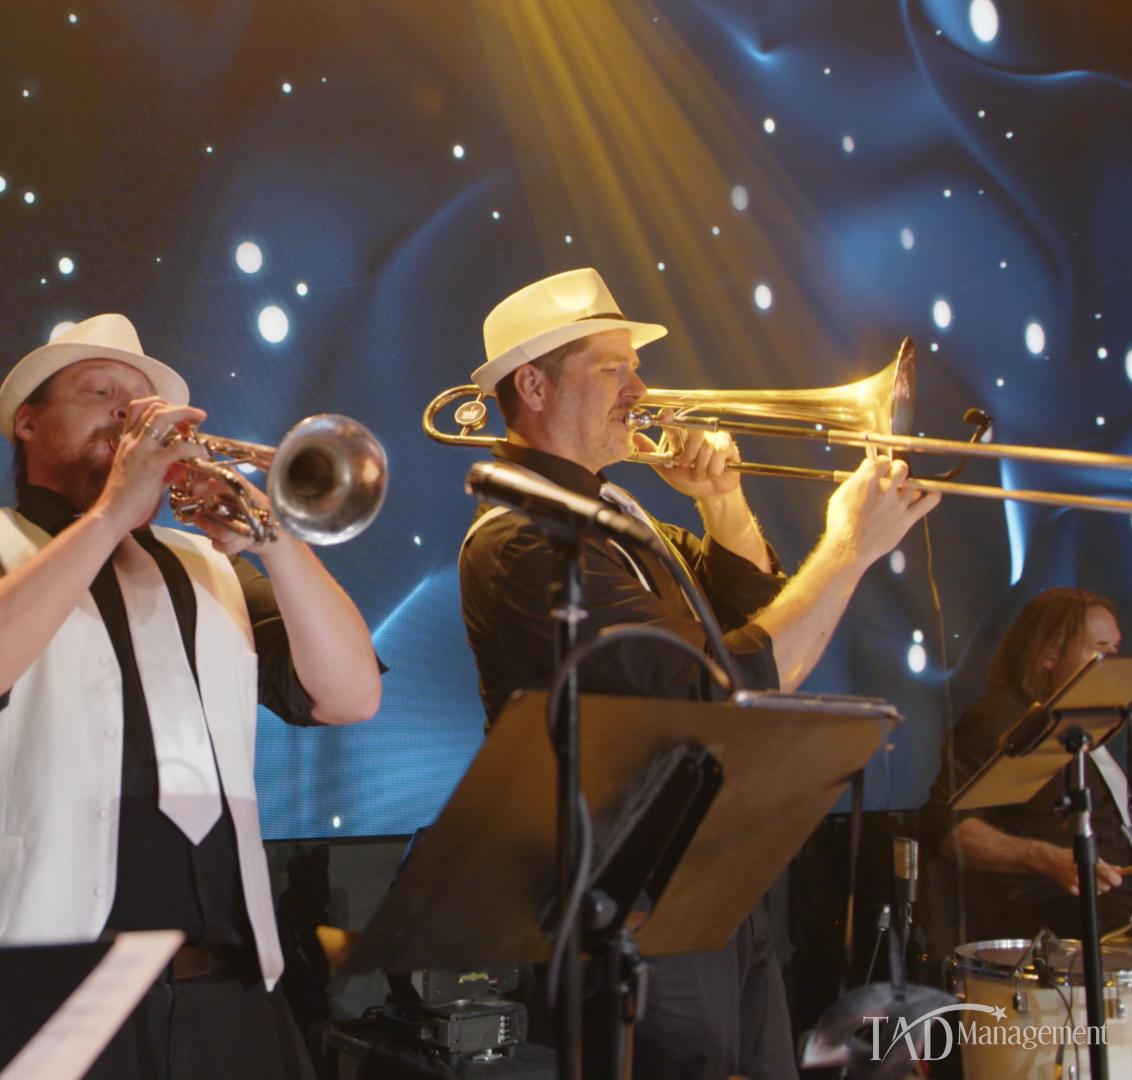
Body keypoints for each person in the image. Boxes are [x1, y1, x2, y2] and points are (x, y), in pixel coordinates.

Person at [457, 269, 938, 1079]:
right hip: (627, 908)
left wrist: (723, 503)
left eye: (633, 367)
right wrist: (850, 548)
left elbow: (749, 618)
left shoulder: (617, 517)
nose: (640, 390)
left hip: (705, 884)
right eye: (611, 368)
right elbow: (732, 683)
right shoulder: (522, 541)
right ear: (533, 386)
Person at [0, 314, 382, 1080]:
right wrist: (112, 512)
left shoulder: (210, 566)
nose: (129, 416)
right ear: (27, 422)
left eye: (142, 404)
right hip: (37, 998)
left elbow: (349, 695)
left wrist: (271, 537)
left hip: (224, 995)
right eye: (100, 394)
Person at [922, 588, 1126, 939]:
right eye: (1099, 648)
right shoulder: (999, 717)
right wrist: (1047, 858)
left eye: (1115, 648)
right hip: (1060, 911)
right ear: (1049, 655)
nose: (1112, 661)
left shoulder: (1089, 720)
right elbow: (947, 825)